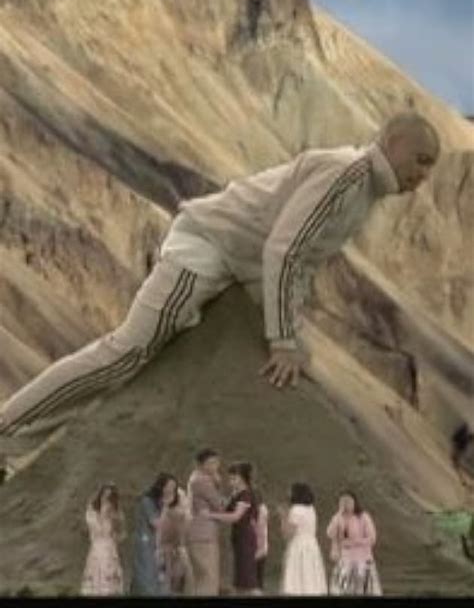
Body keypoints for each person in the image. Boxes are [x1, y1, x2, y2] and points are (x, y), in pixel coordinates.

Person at [0, 113, 441, 451]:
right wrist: (282, 341)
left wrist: (290, 336)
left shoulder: (363, 193)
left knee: (280, 364)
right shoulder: (347, 174)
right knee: (127, 352)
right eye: (420, 160)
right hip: (205, 250)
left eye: (431, 168)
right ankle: (7, 432)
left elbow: (301, 265)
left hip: (237, 266)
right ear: (393, 142)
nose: (422, 176)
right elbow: (284, 250)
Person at [206, 461, 260, 595]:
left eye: (234, 478)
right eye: (230, 478)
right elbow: (224, 507)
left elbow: (235, 516)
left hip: (246, 537)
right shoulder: (236, 494)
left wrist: (210, 515)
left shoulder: (246, 495)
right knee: (240, 576)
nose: (231, 481)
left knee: (247, 577)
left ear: (242, 478)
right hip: (238, 536)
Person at [130, 472, 178, 596]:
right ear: (161, 486)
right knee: (146, 575)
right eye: (169, 486)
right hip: (145, 542)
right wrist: (166, 506)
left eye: (174, 487)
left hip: (156, 543)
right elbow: (156, 523)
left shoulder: (159, 502)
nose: (171, 490)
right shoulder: (147, 501)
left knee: (158, 576)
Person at [326, 491, 382, 596]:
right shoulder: (339, 518)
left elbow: (372, 538)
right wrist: (338, 515)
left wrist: (354, 542)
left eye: (349, 501)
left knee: (362, 589)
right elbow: (330, 533)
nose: (346, 504)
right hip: (345, 560)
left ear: (355, 502)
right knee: (342, 589)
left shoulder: (363, 517)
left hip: (362, 560)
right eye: (343, 501)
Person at [186, 448, 225, 596]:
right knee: (208, 579)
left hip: (200, 534)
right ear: (201, 464)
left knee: (204, 578)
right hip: (203, 535)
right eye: (211, 463)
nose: (215, 466)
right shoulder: (202, 481)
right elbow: (219, 505)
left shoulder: (196, 478)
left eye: (216, 462)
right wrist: (218, 484)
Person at [278, 482, 327, 596]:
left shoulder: (296, 510)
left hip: (298, 546)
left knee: (296, 579)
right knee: (310, 577)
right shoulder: (311, 509)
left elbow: (288, 533)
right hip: (312, 545)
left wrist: (283, 516)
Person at [80, 483, 126, 596]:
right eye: (104, 495)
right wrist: (103, 515)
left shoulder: (116, 513)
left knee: (109, 578)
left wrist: (115, 536)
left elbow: (123, 533)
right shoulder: (92, 511)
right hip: (97, 548)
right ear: (100, 495)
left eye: (109, 497)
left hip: (110, 548)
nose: (106, 499)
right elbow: (94, 528)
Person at [159, 484, 194, 595]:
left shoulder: (179, 513)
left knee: (180, 576)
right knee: (170, 577)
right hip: (170, 548)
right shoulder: (169, 513)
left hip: (177, 547)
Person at [254, 497, 269, 593]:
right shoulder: (262, 508)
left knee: (258, 568)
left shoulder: (262, 509)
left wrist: (261, 546)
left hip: (258, 545)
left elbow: (261, 527)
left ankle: (258, 589)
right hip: (258, 544)